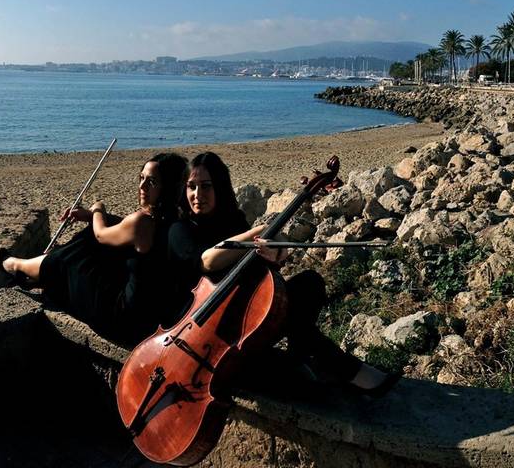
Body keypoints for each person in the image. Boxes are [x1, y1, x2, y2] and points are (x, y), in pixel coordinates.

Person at [166, 152, 399, 395]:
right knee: (301, 386)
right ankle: (345, 370)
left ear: (220, 188)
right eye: (191, 187)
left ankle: (305, 357)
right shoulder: (180, 229)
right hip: (204, 342)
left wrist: (276, 254)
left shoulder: (233, 223)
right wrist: (262, 230)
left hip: (243, 325)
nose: (197, 195)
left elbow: (259, 270)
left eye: (206, 186)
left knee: (309, 282)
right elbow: (208, 261)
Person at [1, 152, 187, 346]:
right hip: (150, 317)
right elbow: (124, 228)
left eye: (152, 182)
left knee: (74, 258)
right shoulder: (176, 219)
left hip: (125, 320)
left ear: (168, 187)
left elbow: (102, 234)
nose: (142, 186)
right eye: (141, 178)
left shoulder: (142, 222)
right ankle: (38, 274)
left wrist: (98, 208)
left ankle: (17, 266)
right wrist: (91, 216)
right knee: (83, 248)